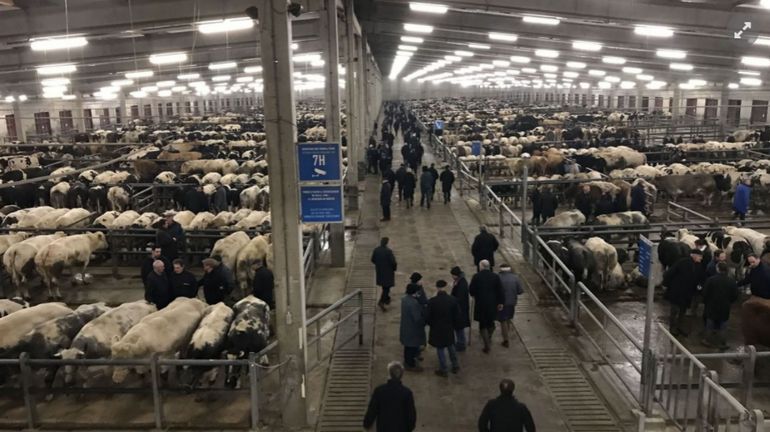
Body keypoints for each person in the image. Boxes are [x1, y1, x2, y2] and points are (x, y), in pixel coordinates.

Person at [363, 361, 417, 432]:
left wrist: (367, 424)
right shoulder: (407, 393)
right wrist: (409, 428)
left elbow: (372, 410)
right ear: (401, 375)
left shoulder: (380, 391)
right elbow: (411, 415)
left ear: (389, 374)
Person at [663, 249, 704, 337]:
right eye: (700, 256)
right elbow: (670, 273)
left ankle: (679, 327)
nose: (701, 258)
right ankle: (673, 327)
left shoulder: (699, 266)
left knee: (683, 311)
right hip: (677, 291)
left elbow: (700, 278)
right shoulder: (682, 262)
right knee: (674, 310)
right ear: (694, 255)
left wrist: (699, 286)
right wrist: (666, 284)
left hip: (688, 293)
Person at [470, 260, 505, 353]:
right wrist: (501, 302)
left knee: (482, 324)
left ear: (481, 267)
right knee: (491, 322)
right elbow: (500, 290)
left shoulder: (476, 276)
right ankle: (489, 335)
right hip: (492, 304)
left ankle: (486, 345)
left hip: (481, 304)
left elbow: (471, 290)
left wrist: (475, 294)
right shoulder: (495, 277)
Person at [427, 280, 460, 377]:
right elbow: (457, 315)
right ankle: (455, 365)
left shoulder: (432, 302)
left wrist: (431, 324)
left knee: (440, 349)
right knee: (451, 346)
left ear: (437, 288)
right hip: (448, 327)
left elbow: (428, 317)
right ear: (445, 287)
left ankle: (443, 369)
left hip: (437, 329)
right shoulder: (452, 300)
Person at [702, 262, 739, 349]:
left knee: (710, 324)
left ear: (718, 269)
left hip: (711, 305)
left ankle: (707, 340)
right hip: (725, 306)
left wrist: (706, 302)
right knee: (723, 326)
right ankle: (723, 343)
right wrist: (729, 301)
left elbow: (705, 293)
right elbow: (735, 295)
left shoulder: (711, 280)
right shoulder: (731, 281)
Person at [400, 283, 426, 372]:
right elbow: (417, 318)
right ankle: (410, 365)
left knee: (407, 347)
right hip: (413, 329)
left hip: (406, 327)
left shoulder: (405, 299)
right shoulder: (414, 303)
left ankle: (408, 362)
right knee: (411, 347)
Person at [498, 265, 524, 348]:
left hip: (501, 303)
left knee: (503, 320)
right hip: (512, 302)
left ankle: (506, 339)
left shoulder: (498, 278)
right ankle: (507, 334)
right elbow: (520, 291)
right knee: (508, 318)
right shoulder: (515, 278)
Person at [371, 237, 397, 311]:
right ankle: (382, 301)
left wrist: (379, 264)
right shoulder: (388, 251)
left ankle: (386, 299)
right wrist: (394, 268)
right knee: (387, 288)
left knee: (384, 286)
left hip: (380, 271)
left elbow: (372, 259)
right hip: (388, 272)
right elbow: (393, 262)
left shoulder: (376, 250)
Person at [450, 266, 470, 352]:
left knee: (459, 327)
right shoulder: (461, 281)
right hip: (461, 309)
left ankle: (461, 344)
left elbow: (459, 298)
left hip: (460, 310)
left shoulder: (461, 283)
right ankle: (460, 342)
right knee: (459, 327)